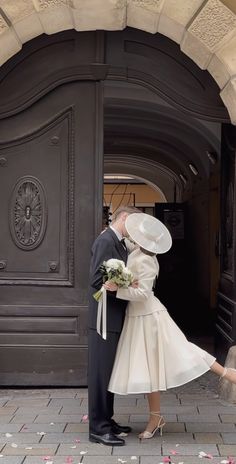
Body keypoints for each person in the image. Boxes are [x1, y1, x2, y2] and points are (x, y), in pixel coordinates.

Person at [104, 213, 236, 440]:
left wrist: (119, 289)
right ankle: (156, 418)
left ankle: (228, 373)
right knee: (149, 369)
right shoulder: (138, 251)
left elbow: (143, 294)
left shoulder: (146, 259)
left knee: (182, 351)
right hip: (138, 318)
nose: (135, 236)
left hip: (149, 317)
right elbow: (123, 243)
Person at [88, 205, 140, 447]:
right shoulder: (106, 240)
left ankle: (107, 420)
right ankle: (98, 428)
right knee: (100, 374)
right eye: (135, 223)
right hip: (104, 318)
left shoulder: (118, 242)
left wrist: (126, 279)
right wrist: (125, 280)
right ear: (125, 218)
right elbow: (96, 279)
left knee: (109, 373)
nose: (137, 229)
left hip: (114, 316)